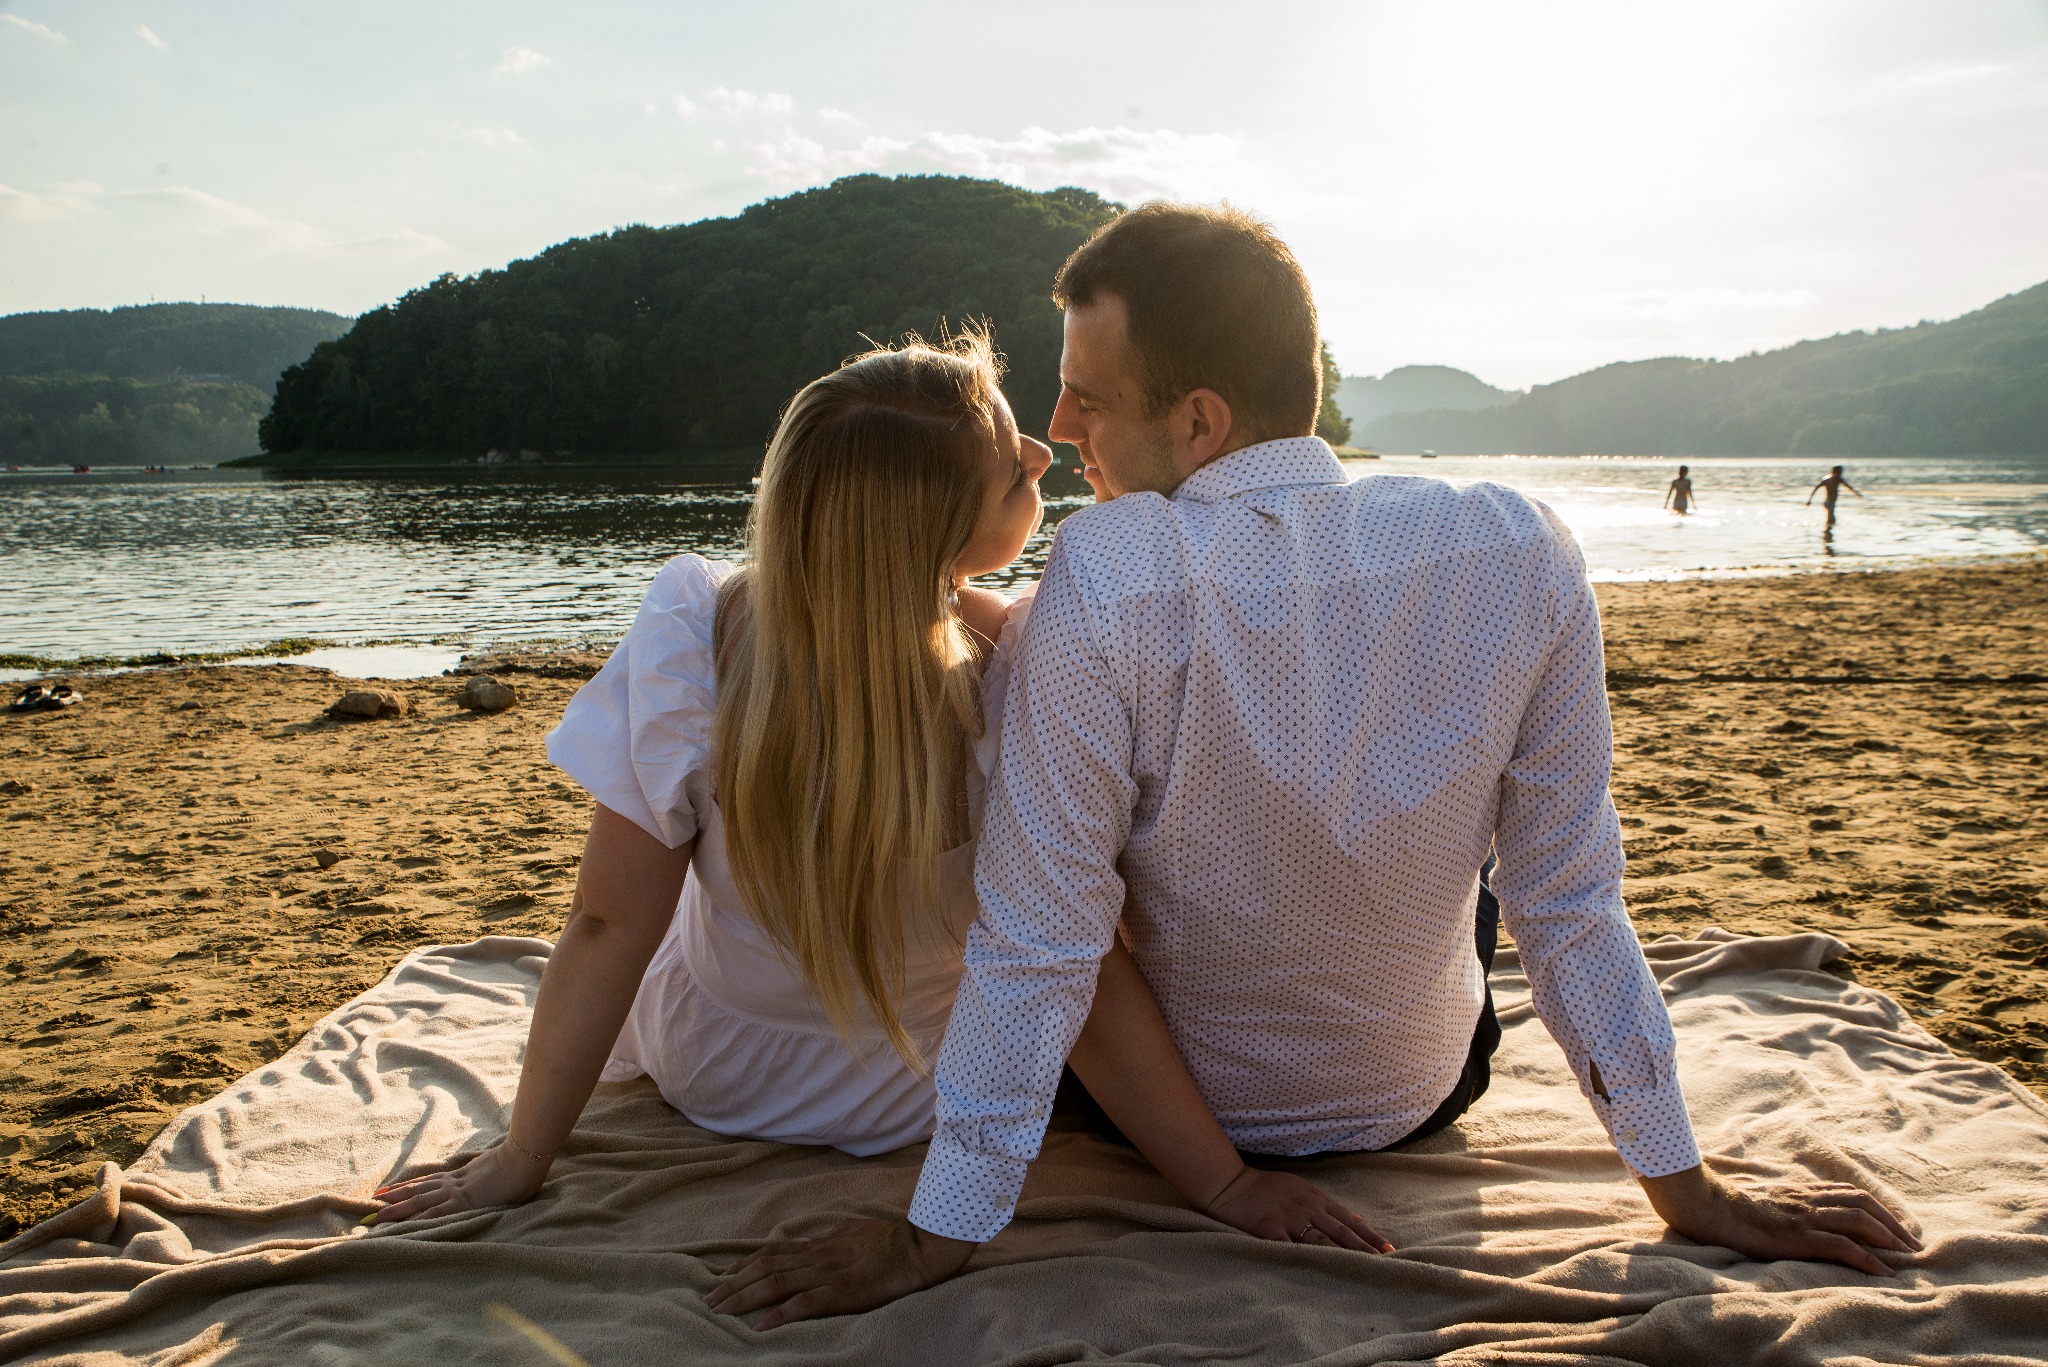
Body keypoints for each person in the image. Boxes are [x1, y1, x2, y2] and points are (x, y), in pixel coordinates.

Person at [708, 204, 1921, 1326]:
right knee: (1501, 867)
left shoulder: (1104, 577)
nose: (1059, 430)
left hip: (1164, 1124)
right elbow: (1571, 904)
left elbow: (1037, 946)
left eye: (1088, 399)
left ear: (1197, 422)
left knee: (1090, 867)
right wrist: (1682, 1184)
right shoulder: (1518, 544)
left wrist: (938, 1235)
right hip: (1418, 1094)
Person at [365, 334, 1363, 1245]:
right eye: (1011, 460)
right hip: (914, 1098)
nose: (1041, 458)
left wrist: (521, 1156)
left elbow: (602, 926)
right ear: (942, 528)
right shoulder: (1020, 666)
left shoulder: (697, 633)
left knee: (665, 910)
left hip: (714, 1067)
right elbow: (1081, 969)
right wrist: (1225, 1185)